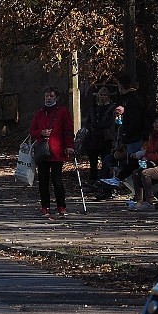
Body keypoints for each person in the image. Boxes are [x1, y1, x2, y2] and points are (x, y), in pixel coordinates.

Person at [102, 112, 158, 211]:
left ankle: (149, 202)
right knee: (136, 172)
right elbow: (150, 150)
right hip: (156, 162)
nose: (156, 125)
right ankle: (139, 201)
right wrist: (142, 155)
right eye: (154, 123)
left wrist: (148, 156)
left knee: (145, 173)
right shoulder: (153, 134)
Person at [29, 86, 75, 217]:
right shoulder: (39, 113)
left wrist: (69, 145)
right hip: (42, 151)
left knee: (57, 181)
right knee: (43, 181)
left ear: (56, 97)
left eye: (51, 96)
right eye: (46, 96)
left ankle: (61, 206)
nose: (48, 99)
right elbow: (32, 131)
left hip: (57, 151)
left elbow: (68, 130)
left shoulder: (63, 112)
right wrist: (41, 132)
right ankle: (45, 207)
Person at [83, 87, 116, 183]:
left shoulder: (111, 108)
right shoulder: (93, 108)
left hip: (105, 137)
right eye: (101, 95)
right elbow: (88, 121)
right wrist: (91, 127)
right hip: (93, 137)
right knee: (92, 159)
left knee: (105, 159)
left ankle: (105, 179)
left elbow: (110, 123)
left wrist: (96, 126)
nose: (102, 97)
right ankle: (93, 178)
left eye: (105, 95)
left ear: (108, 97)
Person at [115, 74, 149, 157]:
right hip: (133, 136)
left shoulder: (132, 100)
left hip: (134, 138)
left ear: (121, 86)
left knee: (132, 161)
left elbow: (135, 121)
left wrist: (126, 134)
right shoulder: (132, 99)